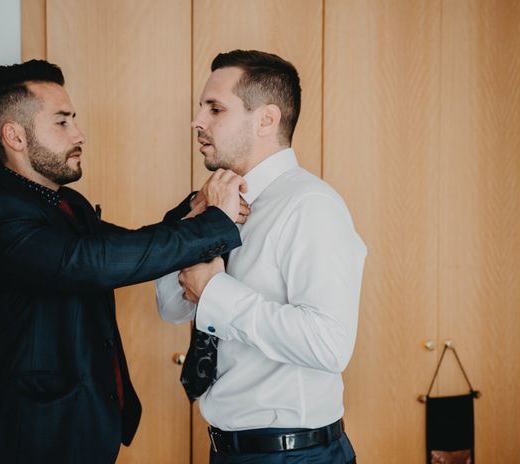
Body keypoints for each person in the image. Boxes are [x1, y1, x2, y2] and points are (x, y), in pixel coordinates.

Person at [0, 59, 248, 463]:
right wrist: (214, 224)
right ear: (15, 136)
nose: (79, 133)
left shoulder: (66, 202)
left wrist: (194, 210)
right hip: (32, 437)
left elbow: (125, 247)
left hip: (89, 425)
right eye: (61, 122)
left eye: (73, 118)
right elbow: (91, 263)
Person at [155, 50, 367, 463]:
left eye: (215, 108)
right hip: (227, 449)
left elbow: (329, 344)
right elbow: (170, 308)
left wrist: (215, 291)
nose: (197, 121)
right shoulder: (213, 202)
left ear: (267, 120)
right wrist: (195, 229)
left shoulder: (310, 206)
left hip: (294, 453)